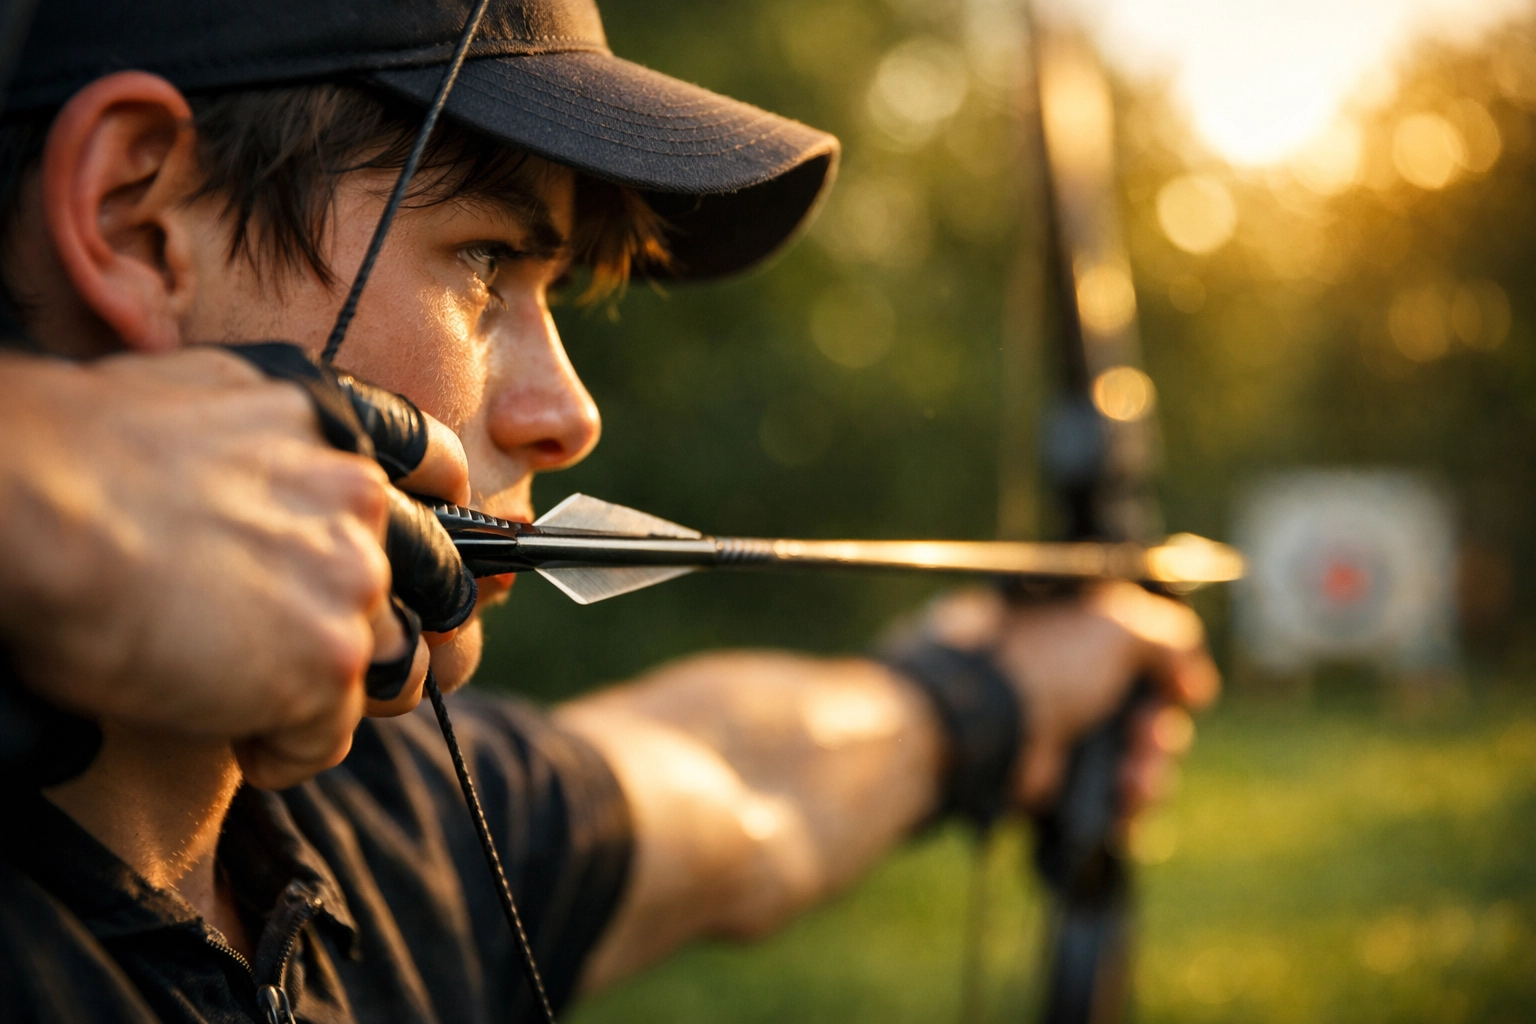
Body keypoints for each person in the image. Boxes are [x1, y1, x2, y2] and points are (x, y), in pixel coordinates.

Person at [0, 1, 1220, 1021]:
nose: (569, 415)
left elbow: (740, 779)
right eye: (486, 262)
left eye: (554, 288)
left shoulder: (380, 835)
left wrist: (993, 695)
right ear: (137, 221)